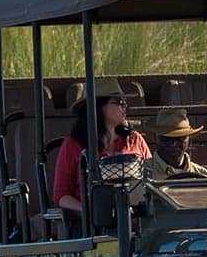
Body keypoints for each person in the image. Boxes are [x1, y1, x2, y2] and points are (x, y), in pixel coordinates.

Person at [52, 76, 151, 214]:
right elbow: (61, 196)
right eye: (119, 101)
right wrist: (90, 213)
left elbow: (152, 181)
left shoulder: (135, 139)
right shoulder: (73, 144)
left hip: (136, 219)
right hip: (91, 227)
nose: (125, 106)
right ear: (98, 106)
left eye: (125, 101)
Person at [147, 109, 207, 179]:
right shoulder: (138, 176)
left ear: (189, 139)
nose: (173, 144)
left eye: (180, 138)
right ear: (155, 138)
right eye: (166, 138)